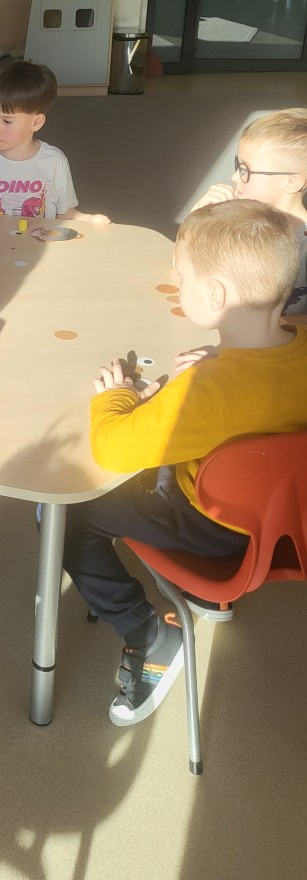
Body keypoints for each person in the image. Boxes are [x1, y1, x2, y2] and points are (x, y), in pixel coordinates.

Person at [62, 200, 307, 726]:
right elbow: (263, 389)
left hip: (217, 532)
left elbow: (112, 449)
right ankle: (206, 600)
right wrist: (224, 359)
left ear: (215, 295)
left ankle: (146, 633)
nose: (177, 284)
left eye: (182, 277)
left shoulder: (205, 391)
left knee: (66, 511)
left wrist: (115, 399)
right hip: (288, 527)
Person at [0, 61, 109, 221]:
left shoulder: (54, 161)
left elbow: (63, 213)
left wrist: (88, 219)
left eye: (7, 121)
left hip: (35, 243)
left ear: (36, 122)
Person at [191, 107, 307, 323]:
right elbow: (187, 270)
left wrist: (262, 328)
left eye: (245, 170)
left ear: (292, 182)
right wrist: (198, 218)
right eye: (238, 165)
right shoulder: (239, 220)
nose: (234, 177)